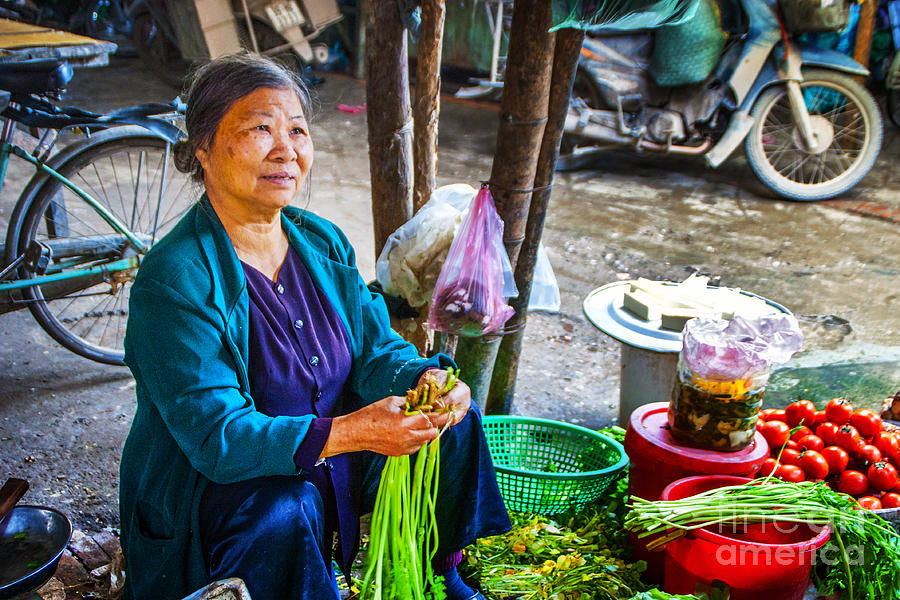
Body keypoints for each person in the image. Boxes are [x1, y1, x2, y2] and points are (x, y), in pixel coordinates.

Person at [119, 52, 510, 600]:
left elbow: (377, 353)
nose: (286, 150)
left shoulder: (322, 242)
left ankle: (435, 576)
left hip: (325, 462)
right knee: (286, 505)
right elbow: (220, 438)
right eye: (260, 128)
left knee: (452, 424)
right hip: (218, 494)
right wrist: (353, 431)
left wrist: (426, 379)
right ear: (203, 149)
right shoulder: (175, 280)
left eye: (297, 131)